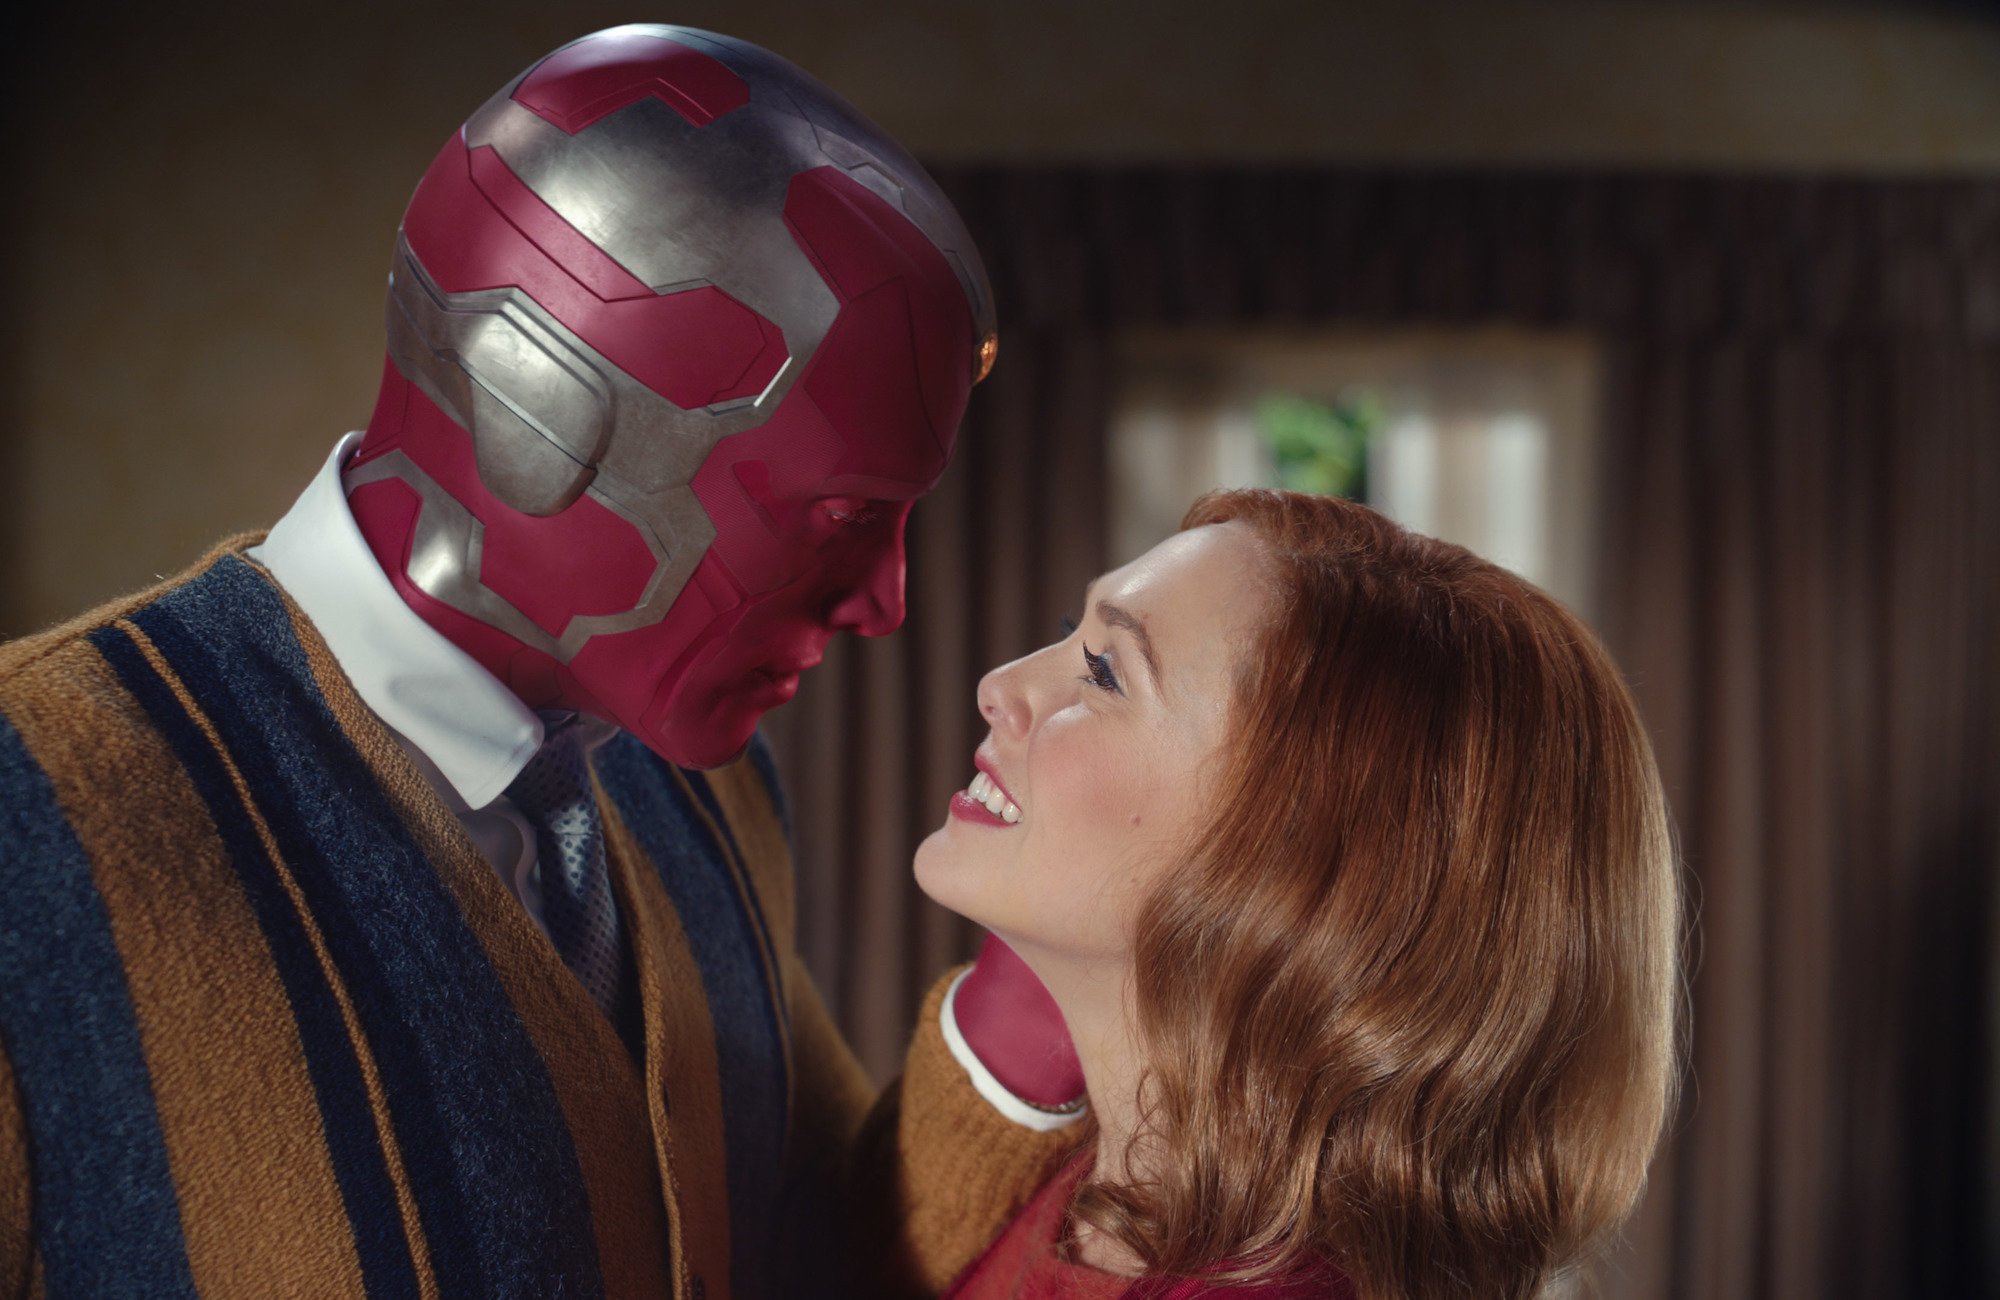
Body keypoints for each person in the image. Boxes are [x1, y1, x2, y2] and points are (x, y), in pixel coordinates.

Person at [0, 25, 1080, 1299]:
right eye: (842, 516)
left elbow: (824, 1239)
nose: (885, 601)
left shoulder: (707, 787)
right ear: (542, 411)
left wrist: (1038, 1005)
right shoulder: (27, 819)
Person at [913, 489, 1684, 1299]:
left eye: (1105, 673)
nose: (999, 685)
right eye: (1071, 632)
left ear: (1303, 863)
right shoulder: (1080, 1194)